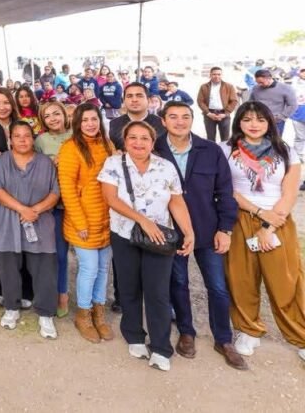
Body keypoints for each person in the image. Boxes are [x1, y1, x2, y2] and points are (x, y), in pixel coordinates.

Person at [154, 101, 245, 369]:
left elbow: (224, 192)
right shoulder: (154, 149)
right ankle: (186, 332)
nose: (179, 122)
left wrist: (225, 229)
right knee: (178, 283)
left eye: (185, 117)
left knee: (217, 286)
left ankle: (223, 338)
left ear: (193, 120)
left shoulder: (211, 150)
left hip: (207, 229)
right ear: (163, 121)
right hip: (171, 232)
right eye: (173, 117)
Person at [100, 121, 195, 372]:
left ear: (153, 142)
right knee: (129, 288)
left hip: (158, 238)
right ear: (125, 140)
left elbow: (176, 201)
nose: (138, 143)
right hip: (123, 234)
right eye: (133, 138)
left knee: (158, 292)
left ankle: (161, 346)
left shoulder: (165, 167)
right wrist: (143, 220)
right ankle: (133, 335)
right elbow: (110, 198)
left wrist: (188, 231)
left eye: (144, 138)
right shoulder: (113, 164)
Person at [221, 102, 305, 363]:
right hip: (239, 218)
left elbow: (290, 192)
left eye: (259, 119)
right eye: (247, 120)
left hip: (278, 220)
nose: (253, 124)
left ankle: (300, 335)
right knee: (241, 277)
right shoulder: (226, 149)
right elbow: (226, 189)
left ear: (269, 122)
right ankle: (248, 329)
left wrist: (269, 226)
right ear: (239, 122)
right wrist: (259, 214)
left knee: (286, 279)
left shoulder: (285, 151)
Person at [0, 122, 60, 338]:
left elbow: (55, 192)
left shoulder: (45, 163)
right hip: (8, 221)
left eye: (27, 136)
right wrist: (23, 209)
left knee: (44, 269)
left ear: (33, 138)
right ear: (10, 139)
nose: (22, 140)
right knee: (8, 267)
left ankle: (45, 313)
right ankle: (12, 308)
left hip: (40, 221)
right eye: (17, 136)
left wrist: (35, 210)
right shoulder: (1, 162)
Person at [58, 102, 115, 343]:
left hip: (108, 218)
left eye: (94, 119)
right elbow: (68, 190)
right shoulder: (70, 148)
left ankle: (98, 313)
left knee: (103, 269)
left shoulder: (108, 144)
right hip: (84, 220)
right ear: (77, 124)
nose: (90, 124)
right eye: (85, 120)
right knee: (89, 268)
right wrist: (80, 222)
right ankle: (83, 314)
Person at [34, 100, 73, 317]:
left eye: (56, 113)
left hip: (77, 202)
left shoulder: (76, 135)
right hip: (55, 204)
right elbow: (38, 170)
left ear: (64, 114)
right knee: (59, 253)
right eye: (47, 116)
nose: (53, 119)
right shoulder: (40, 141)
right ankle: (62, 294)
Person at [108, 83, 165, 150]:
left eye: (139, 96)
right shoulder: (114, 124)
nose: (134, 100)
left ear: (148, 100)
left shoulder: (162, 124)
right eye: (129, 96)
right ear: (124, 101)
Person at [248, 69, 297, 136]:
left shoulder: (286, 88)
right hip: (258, 120)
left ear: (269, 78)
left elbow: (292, 105)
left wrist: (281, 117)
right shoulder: (256, 88)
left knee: (275, 143)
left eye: (261, 82)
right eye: (257, 82)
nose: (259, 84)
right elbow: (250, 103)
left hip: (276, 122)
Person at [197, 67, 239, 143]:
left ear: (222, 75)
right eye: (214, 74)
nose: (216, 76)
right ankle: (212, 154)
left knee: (225, 138)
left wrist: (226, 113)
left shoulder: (229, 86)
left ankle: (224, 154)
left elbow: (234, 101)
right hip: (209, 114)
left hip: (224, 114)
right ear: (210, 75)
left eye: (219, 74)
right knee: (210, 138)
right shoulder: (204, 87)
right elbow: (200, 101)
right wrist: (208, 113)